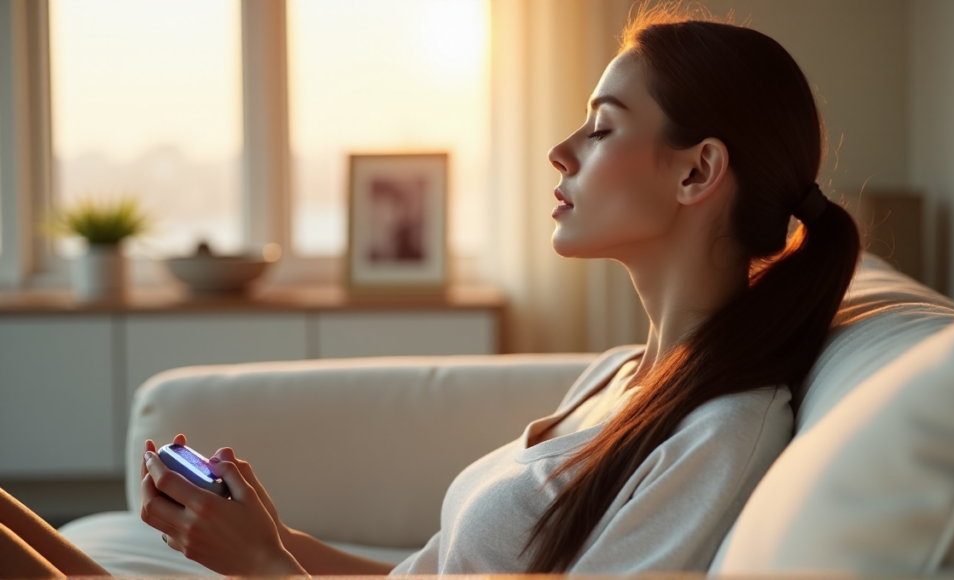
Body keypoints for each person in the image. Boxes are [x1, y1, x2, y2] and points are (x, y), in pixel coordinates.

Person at [0, 6, 861, 578]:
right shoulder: (619, 381)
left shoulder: (718, 438)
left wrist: (268, 569)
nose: (561, 152)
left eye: (602, 128)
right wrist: (271, 540)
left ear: (699, 171)